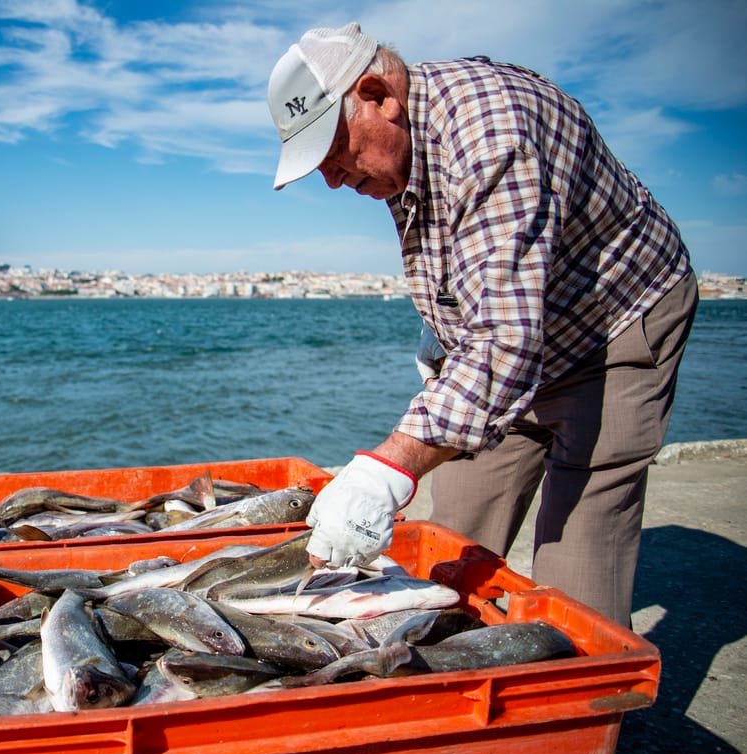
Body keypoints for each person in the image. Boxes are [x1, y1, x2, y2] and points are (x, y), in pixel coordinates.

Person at [268, 23, 696, 627]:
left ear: (378, 95)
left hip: (612, 325)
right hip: (509, 333)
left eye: (335, 152)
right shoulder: (396, 146)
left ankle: (566, 711)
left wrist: (385, 468)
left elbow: (503, 345)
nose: (333, 178)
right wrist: (441, 338)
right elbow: (479, 281)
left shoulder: (490, 135)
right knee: (457, 532)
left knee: (578, 563)